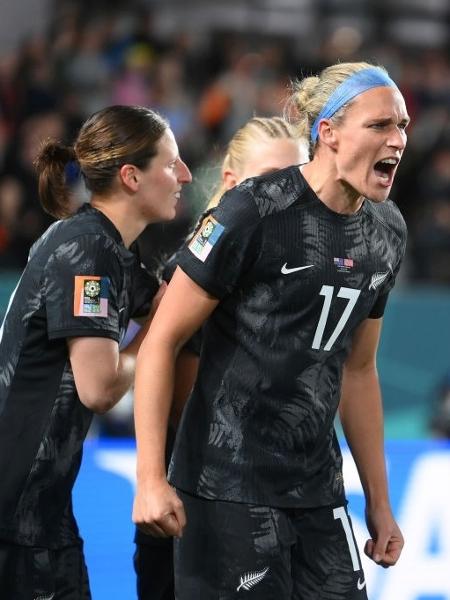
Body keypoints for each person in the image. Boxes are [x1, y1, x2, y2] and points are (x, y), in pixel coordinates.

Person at [133, 61, 409, 600]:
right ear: (327, 132)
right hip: (225, 489)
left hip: (318, 492)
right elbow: (159, 342)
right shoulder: (253, 211)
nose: (397, 139)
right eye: (380, 125)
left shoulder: (387, 231)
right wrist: (149, 478)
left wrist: (378, 501)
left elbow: (357, 369)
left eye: (402, 126)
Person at [0, 104, 191, 599]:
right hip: (15, 514)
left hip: (41, 509)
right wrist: (155, 340)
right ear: (131, 176)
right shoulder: (88, 249)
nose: (185, 175)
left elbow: (174, 301)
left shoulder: (111, 251)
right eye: (171, 164)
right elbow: (100, 387)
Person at [133, 115, 310, 600]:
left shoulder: (302, 269)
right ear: (231, 182)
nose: (285, 199)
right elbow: (184, 400)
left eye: (296, 180)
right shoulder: (194, 270)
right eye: (270, 180)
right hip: (197, 498)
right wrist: (152, 480)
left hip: (277, 494)